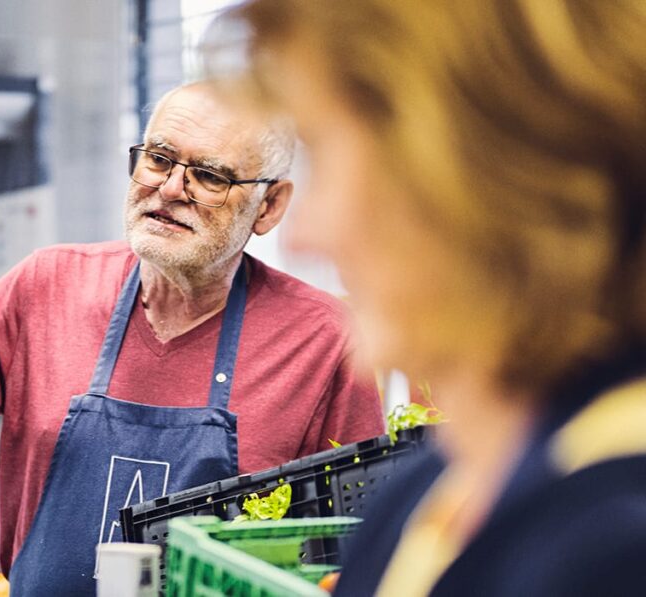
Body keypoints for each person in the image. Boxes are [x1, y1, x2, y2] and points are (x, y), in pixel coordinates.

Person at [0, 82, 385, 595]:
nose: (171, 189)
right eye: (159, 159)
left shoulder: (325, 340)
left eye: (210, 177)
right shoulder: (45, 287)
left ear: (270, 206)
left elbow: (354, 557)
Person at [221, 0, 646, 595]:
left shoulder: (613, 548)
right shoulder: (429, 495)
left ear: (470, 171)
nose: (305, 233)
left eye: (325, 150)